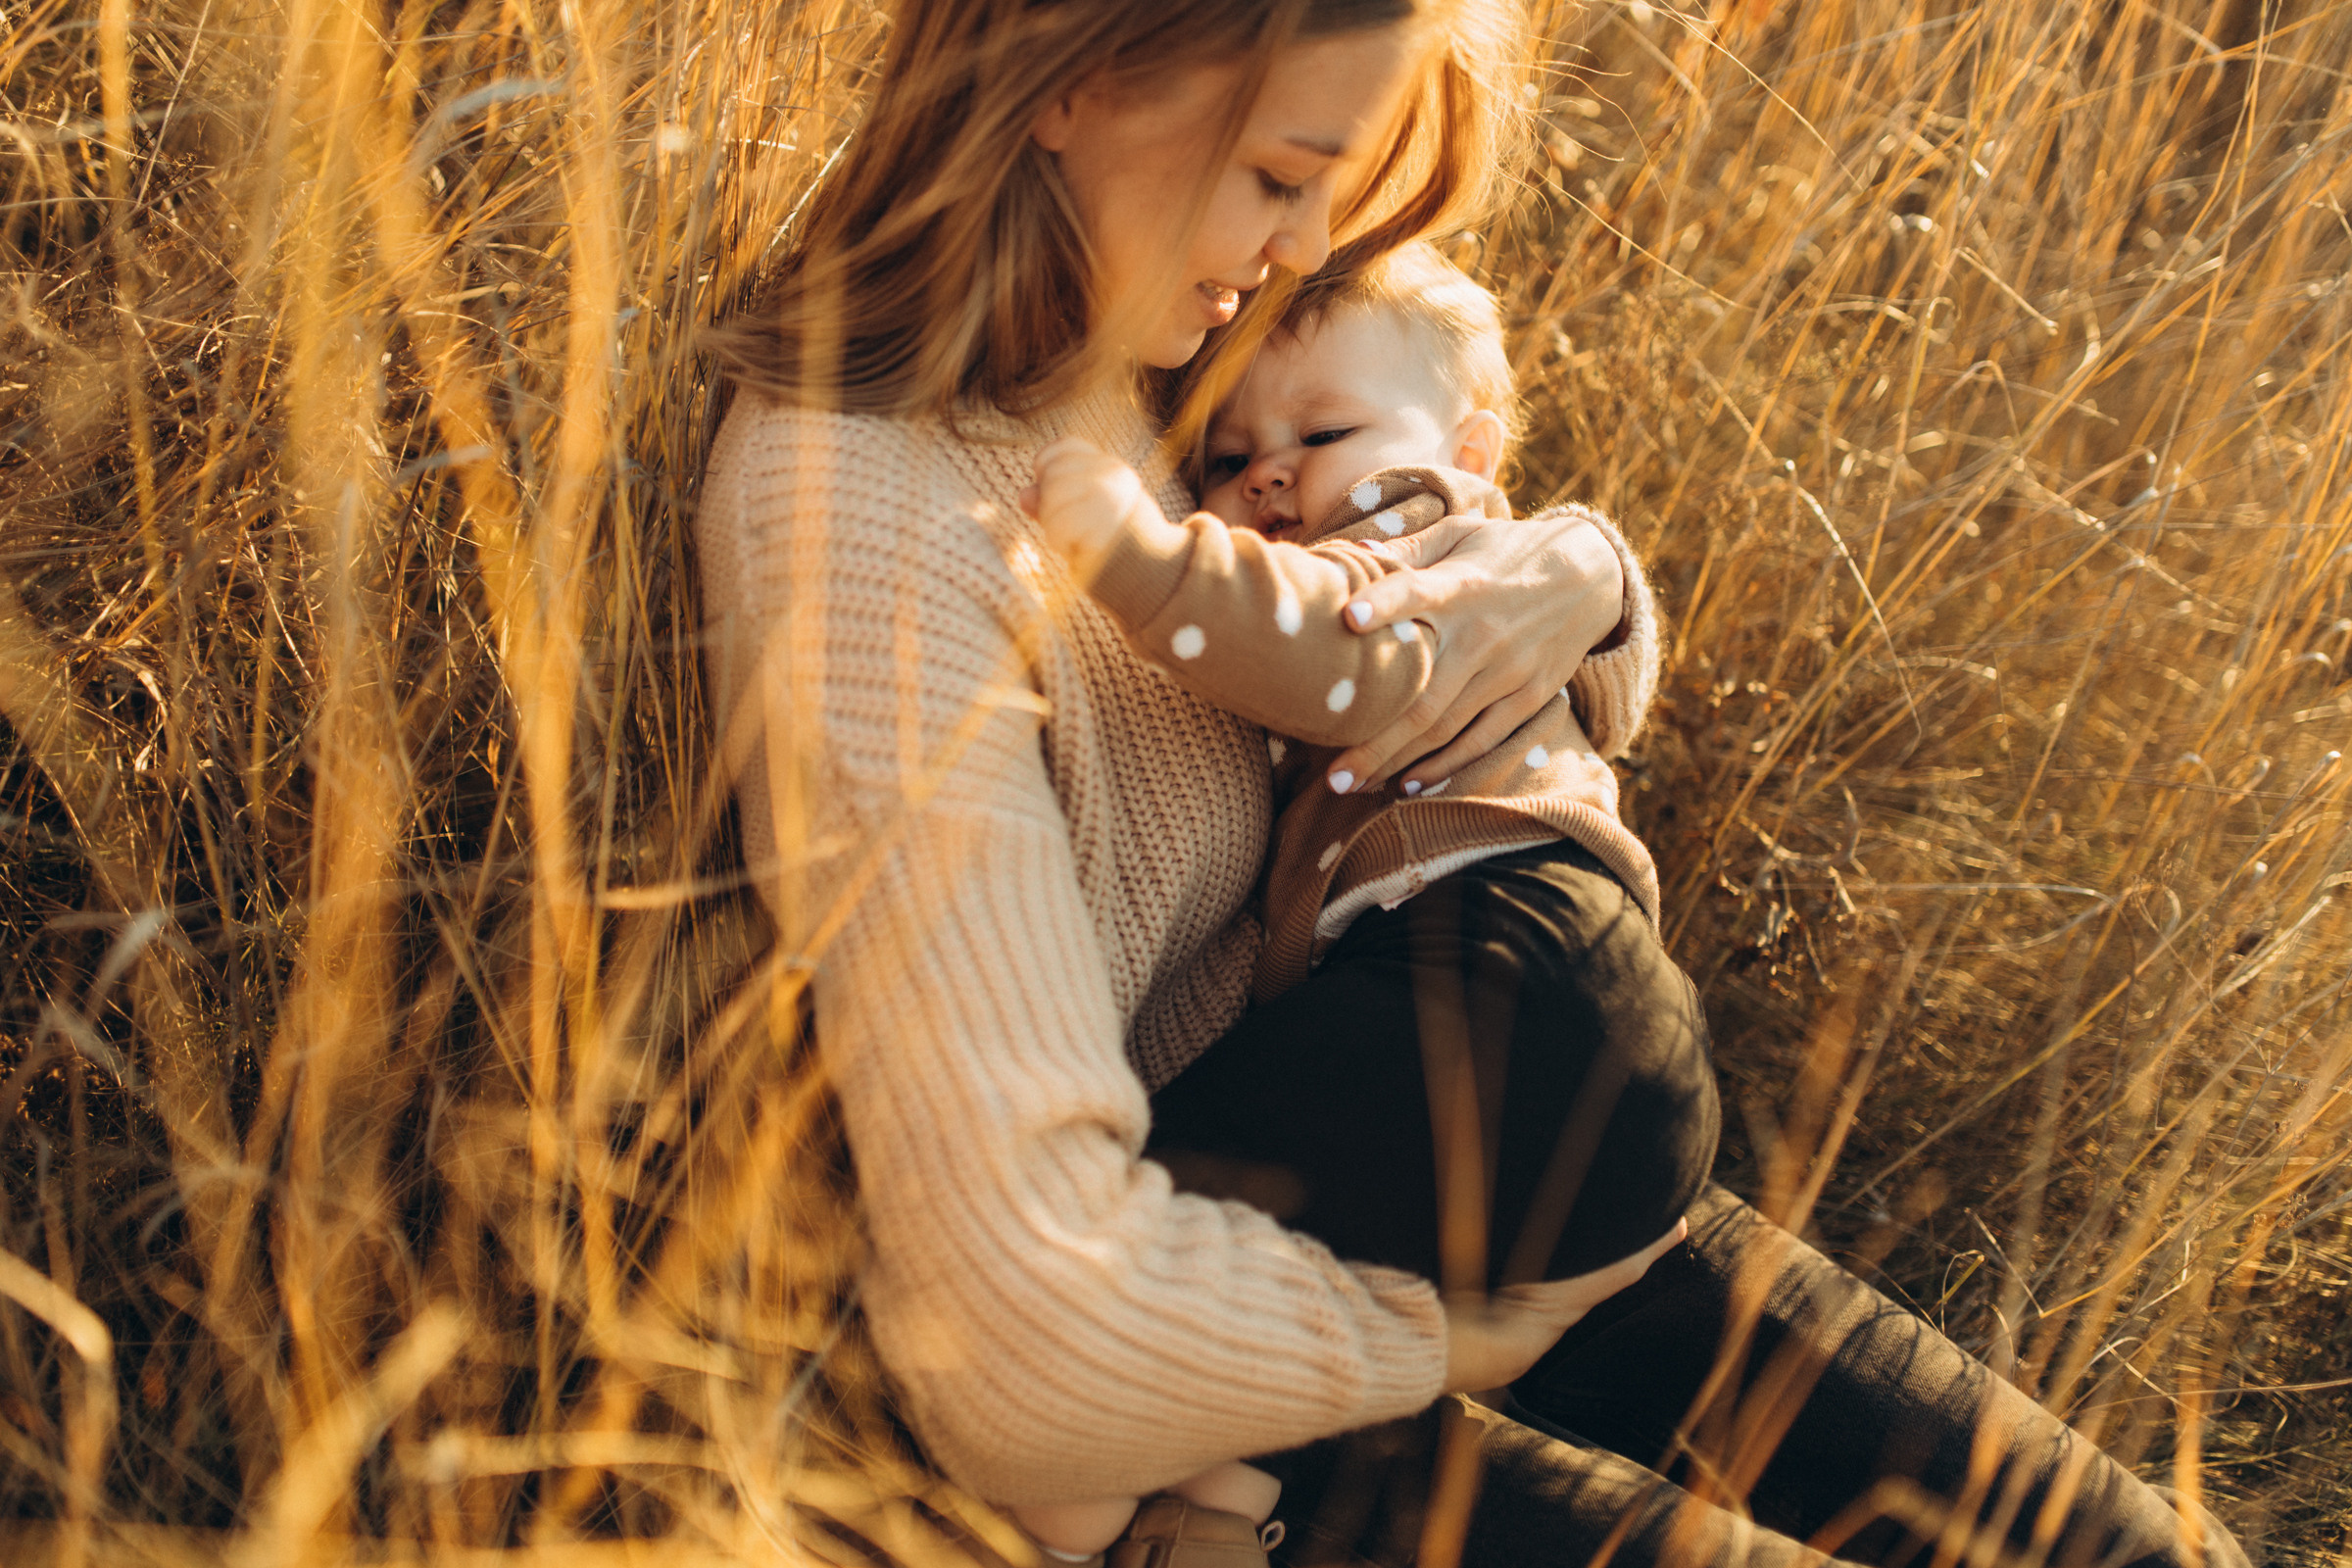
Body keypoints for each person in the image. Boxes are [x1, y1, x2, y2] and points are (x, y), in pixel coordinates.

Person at [696, 2, 2250, 1566]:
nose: (1307, 245)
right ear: (1071, 77)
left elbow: (1429, 502)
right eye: (1280, 176)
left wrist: (1575, 574)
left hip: (1474, 1157)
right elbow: (1025, 1357)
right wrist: (1467, 1334)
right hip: (1226, 1377)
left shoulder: (1154, 340)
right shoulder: (858, 528)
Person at [1009, 239, 1720, 1560]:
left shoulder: (1422, 540)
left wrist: (1141, 558)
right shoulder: (1462, 565)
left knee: (1129, 1226)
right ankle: (1214, 1509)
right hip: (1569, 1037)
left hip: (1514, 970)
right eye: (1229, 457)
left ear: (1469, 452)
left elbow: (1333, 652)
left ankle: (1076, 1492)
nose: (1270, 473)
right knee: (1256, 1249)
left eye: (1323, 433)